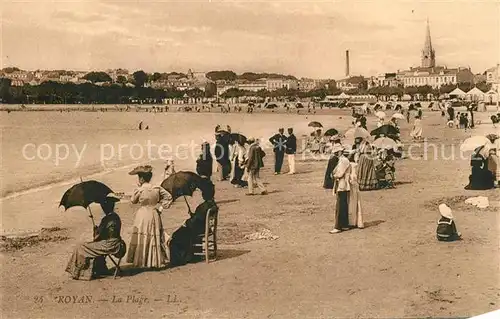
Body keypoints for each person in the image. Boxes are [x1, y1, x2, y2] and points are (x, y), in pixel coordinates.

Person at [65, 193, 125, 280]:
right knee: (90, 245)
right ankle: (99, 268)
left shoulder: (106, 219)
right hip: (118, 243)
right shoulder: (116, 217)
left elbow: (97, 237)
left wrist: (95, 230)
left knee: (80, 246)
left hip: (109, 245)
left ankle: (79, 273)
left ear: (105, 208)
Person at [127, 165, 173, 269]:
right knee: (153, 235)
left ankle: (142, 260)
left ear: (142, 179)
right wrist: (161, 207)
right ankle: (154, 260)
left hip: (143, 214)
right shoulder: (157, 188)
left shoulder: (140, 190)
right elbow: (169, 197)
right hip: (154, 213)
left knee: (143, 236)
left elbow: (133, 201)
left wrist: (137, 188)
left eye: (139, 177)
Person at [169, 186, 217, 266]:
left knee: (176, 235)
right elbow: (198, 217)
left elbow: (195, 220)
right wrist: (193, 214)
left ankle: (181, 258)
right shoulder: (211, 204)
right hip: (204, 227)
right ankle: (190, 254)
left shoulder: (203, 206)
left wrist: (186, 223)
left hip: (199, 229)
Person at [330, 145, 351, 234]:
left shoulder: (343, 161)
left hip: (342, 184)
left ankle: (338, 226)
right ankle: (345, 224)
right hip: (343, 184)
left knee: (340, 205)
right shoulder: (342, 160)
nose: (335, 154)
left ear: (339, 152)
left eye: (336, 152)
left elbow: (339, 173)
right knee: (343, 205)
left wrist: (333, 175)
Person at [348, 152, 364, 229]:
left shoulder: (348, 164)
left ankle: (351, 221)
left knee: (351, 203)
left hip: (350, 185)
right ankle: (356, 221)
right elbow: (354, 176)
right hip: (354, 185)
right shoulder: (354, 165)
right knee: (355, 203)